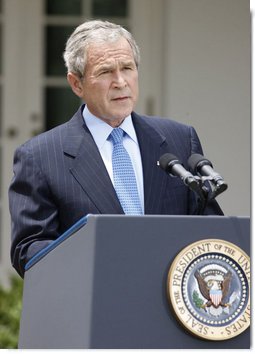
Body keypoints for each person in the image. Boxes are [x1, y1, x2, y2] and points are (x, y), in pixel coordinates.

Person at [9, 20, 223, 277]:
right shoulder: (39, 157)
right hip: (95, 305)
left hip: (172, 306)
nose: (120, 81)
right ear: (76, 83)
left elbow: (212, 232)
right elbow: (29, 249)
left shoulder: (179, 139)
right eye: (105, 72)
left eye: (127, 68)